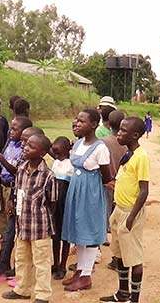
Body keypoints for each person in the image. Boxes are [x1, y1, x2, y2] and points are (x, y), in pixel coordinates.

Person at [62, 108, 113, 291]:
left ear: (93, 125)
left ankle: (86, 276)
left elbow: (107, 176)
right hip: (76, 190)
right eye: (77, 120)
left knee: (89, 232)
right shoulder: (77, 144)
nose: (77, 123)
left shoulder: (100, 148)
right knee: (79, 231)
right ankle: (80, 270)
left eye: (82, 121)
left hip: (90, 193)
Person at [100, 117, 150, 303]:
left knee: (134, 258)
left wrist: (131, 216)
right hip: (119, 210)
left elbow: (144, 190)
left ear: (135, 135)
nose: (118, 133)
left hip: (130, 212)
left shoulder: (141, 157)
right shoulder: (128, 154)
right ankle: (122, 293)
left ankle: (134, 299)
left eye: (122, 131)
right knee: (120, 254)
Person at [2, 134, 56, 303]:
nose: (25, 148)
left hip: (39, 227)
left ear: (42, 153)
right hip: (22, 224)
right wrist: (12, 203)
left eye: (31, 147)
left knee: (41, 262)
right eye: (26, 144)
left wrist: (41, 217)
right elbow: (17, 190)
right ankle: (22, 289)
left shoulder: (48, 175)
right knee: (21, 258)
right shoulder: (21, 168)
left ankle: (42, 294)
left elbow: (52, 203)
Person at [0, 116, 33, 281]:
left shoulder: (26, 150)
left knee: (13, 230)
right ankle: (3, 263)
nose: (10, 131)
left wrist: (1, 159)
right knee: (6, 229)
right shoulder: (11, 144)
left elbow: (18, 171)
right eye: (11, 128)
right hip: (5, 188)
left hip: (16, 192)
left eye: (14, 129)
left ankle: (11, 267)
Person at [101, 110, 128, 270]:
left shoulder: (103, 142)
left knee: (105, 215)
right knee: (117, 220)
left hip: (106, 182)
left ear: (108, 125)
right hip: (121, 184)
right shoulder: (126, 143)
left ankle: (102, 241)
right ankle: (117, 257)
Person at [50, 136, 73, 280]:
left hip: (65, 204)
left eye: (58, 153)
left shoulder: (71, 165)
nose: (56, 156)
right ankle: (55, 262)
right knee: (55, 236)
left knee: (65, 237)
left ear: (67, 150)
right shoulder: (56, 163)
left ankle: (63, 265)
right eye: (54, 153)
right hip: (55, 205)